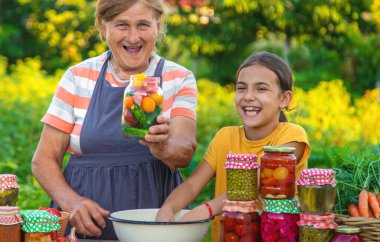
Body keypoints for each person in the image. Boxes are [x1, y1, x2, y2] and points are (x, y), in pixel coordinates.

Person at [31, 0, 197, 240]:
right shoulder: (77, 77)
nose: (133, 37)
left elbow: (185, 152)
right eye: (121, 25)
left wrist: (162, 145)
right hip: (87, 225)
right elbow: (43, 160)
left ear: (157, 26)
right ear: (103, 26)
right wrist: (72, 202)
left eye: (143, 25)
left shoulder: (178, 78)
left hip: (153, 222)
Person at [156, 51, 311, 241]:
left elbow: (255, 184)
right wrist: (168, 208)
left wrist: (206, 210)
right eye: (241, 88)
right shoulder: (225, 137)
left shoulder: (292, 136)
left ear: (284, 99)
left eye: (261, 89)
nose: (248, 96)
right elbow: (191, 185)